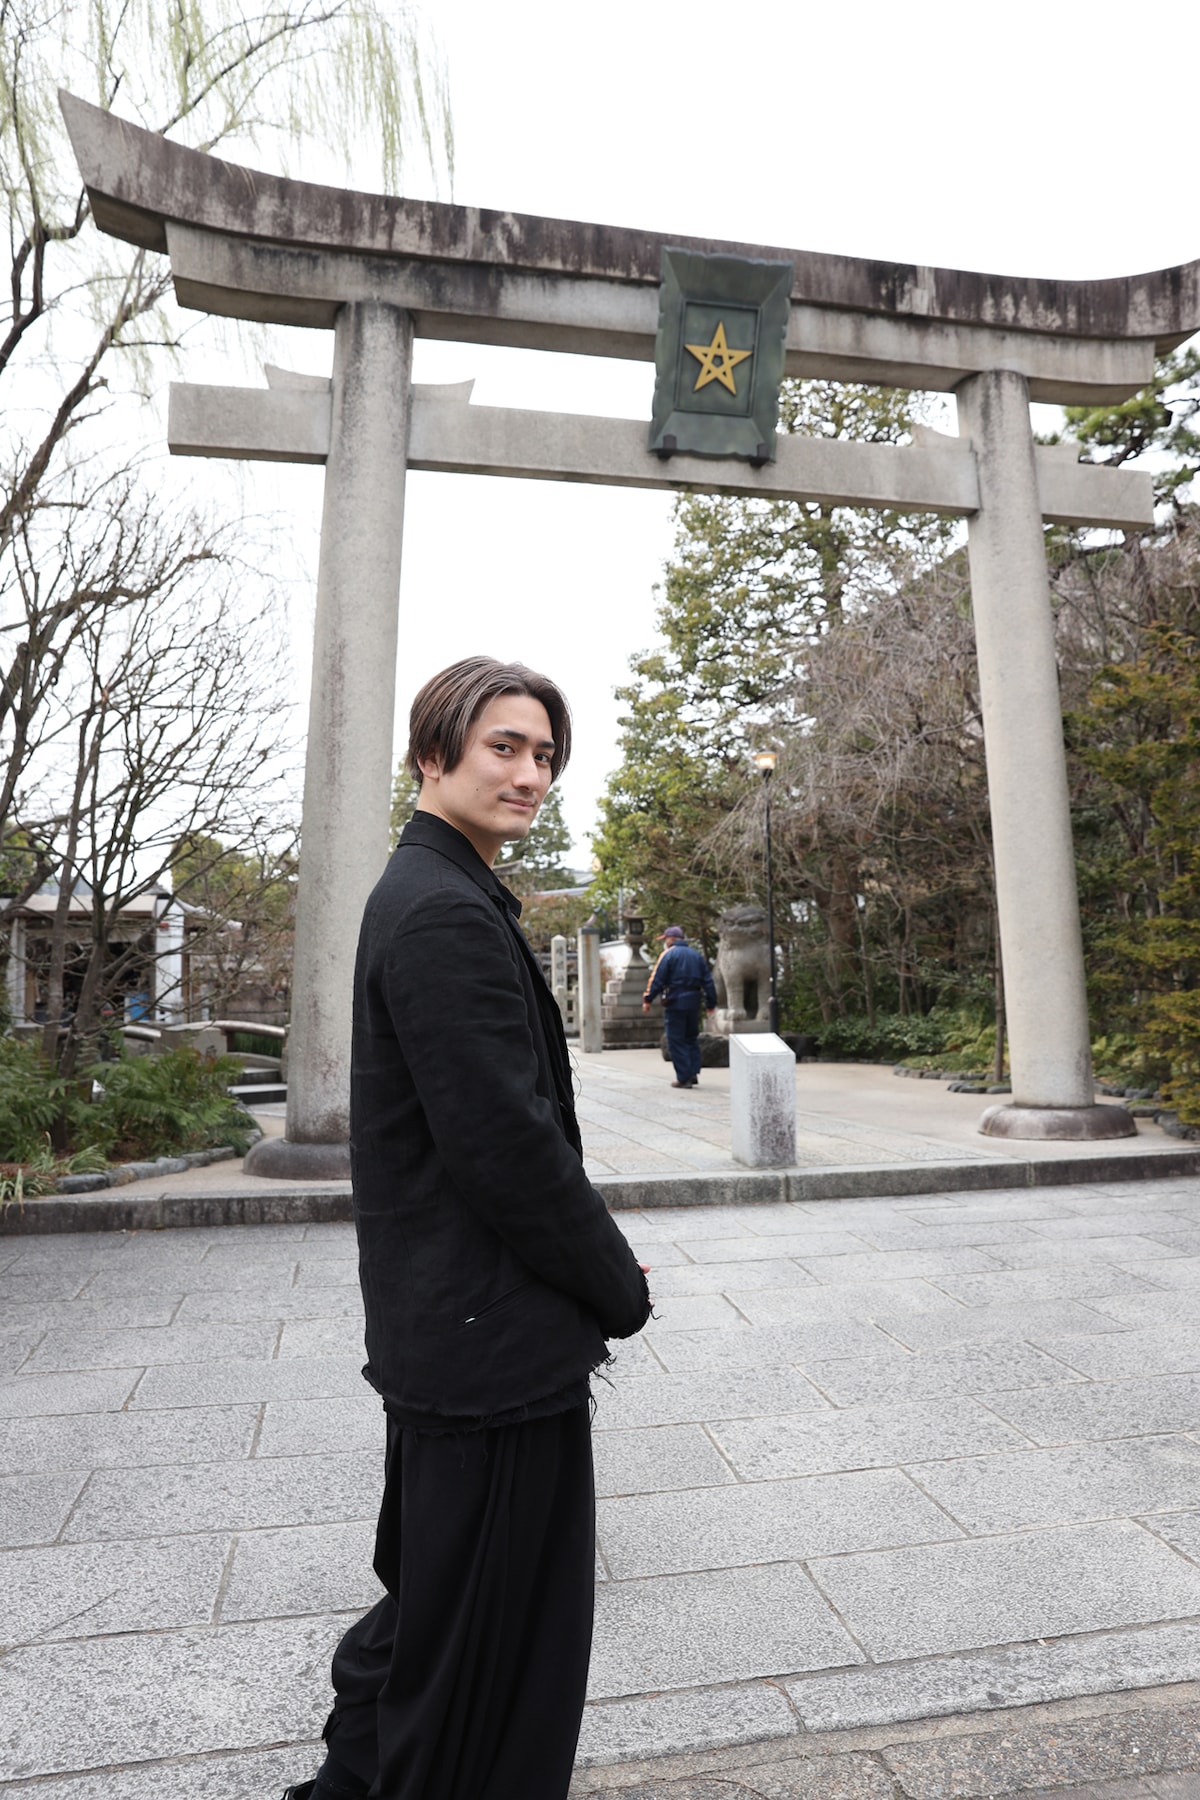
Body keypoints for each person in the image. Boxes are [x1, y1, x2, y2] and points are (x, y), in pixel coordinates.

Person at [285, 657, 651, 1800]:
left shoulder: (444, 887)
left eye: (545, 753)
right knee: (490, 1627)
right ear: (432, 750)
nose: (531, 773)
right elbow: (505, 1146)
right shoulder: (443, 908)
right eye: (504, 746)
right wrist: (616, 1283)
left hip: (460, 1324)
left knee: (449, 1600)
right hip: (487, 1339)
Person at [641, 924, 717, 1089]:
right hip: (694, 1001)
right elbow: (708, 981)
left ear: (671, 939)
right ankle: (693, 1072)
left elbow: (657, 979)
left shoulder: (668, 955)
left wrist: (648, 999)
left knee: (676, 1039)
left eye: (666, 939)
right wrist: (711, 1003)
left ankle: (684, 1077)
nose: (665, 942)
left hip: (675, 1002)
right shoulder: (697, 956)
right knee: (691, 1038)